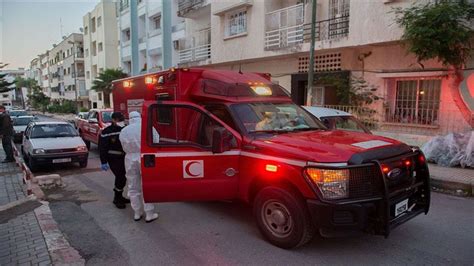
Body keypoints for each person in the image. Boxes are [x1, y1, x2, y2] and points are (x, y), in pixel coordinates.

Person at [119, 111, 159, 223]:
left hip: (130, 158)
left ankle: (137, 213)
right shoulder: (147, 127)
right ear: (140, 117)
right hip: (146, 157)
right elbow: (156, 140)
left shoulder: (124, 130)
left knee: (132, 186)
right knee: (147, 185)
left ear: (130, 118)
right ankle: (149, 214)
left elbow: (122, 145)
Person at [98, 112, 130, 209]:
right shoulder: (106, 131)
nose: (121, 122)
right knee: (120, 177)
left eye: (122, 120)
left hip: (124, 157)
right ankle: (117, 198)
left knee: (123, 178)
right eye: (119, 120)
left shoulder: (125, 129)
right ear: (113, 120)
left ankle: (120, 196)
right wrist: (103, 161)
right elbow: (102, 147)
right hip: (113, 158)